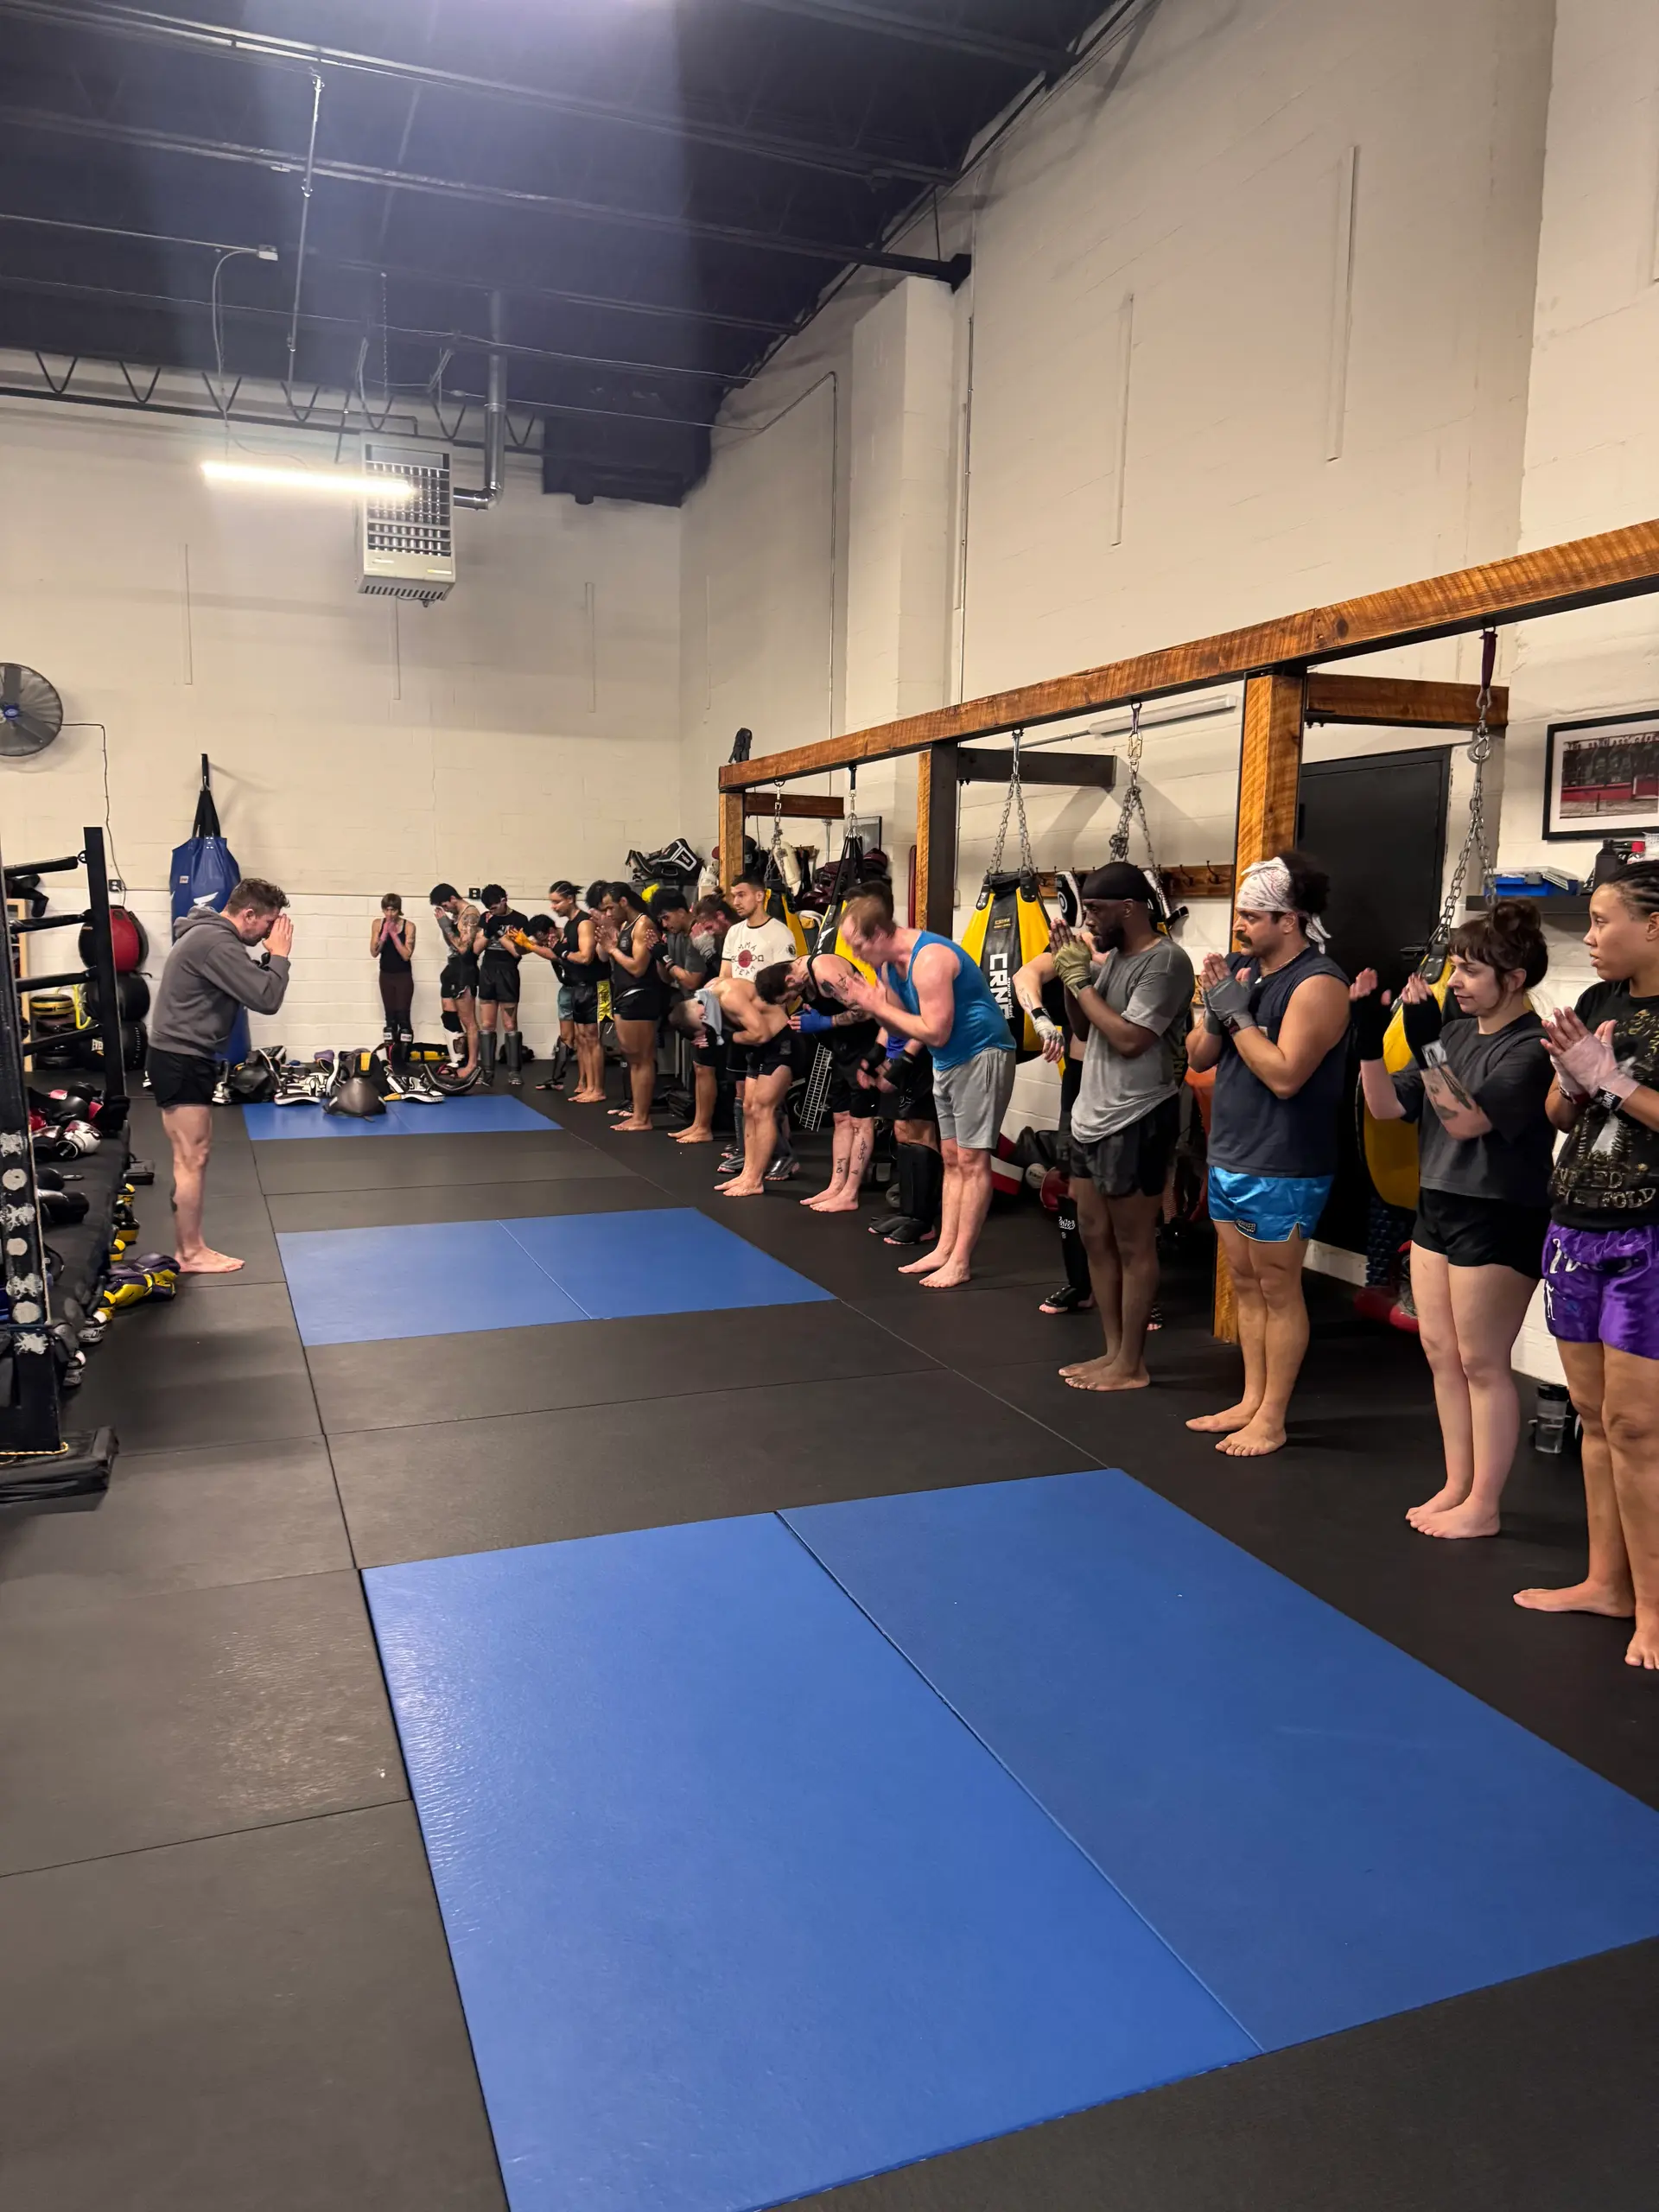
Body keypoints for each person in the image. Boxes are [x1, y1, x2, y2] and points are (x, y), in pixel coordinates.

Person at [1352, 903, 1554, 1538]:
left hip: (1498, 1212)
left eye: (1471, 970)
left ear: (1514, 977)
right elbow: (1387, 1109)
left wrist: (1429, 1045)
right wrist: (1366, 1042)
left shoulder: (1533, 1046)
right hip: (1438, 1202)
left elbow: (1466, 1120)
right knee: (1440, 1353)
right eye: (1456, 968)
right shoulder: (1459, 1034)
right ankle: (1457, 1484)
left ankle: (1485, 1506)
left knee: (1482, 1361)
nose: (1456, 981)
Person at [1517, 861, 1659, 1670]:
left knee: (1641, 1427)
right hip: (1577, 1223)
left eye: (1606, 921)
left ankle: (1653, 1604)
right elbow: (1558, 1115)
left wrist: (1611, 1082)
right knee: (1596, 1417)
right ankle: (1607, 1582)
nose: (1593, 936)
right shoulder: (1602, 1005)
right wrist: (1575, 1083)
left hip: (1650, 1233)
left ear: (1655, 926)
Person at [1184, 852, 1351, 1456]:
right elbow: (1198, 1058)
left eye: (1253, 917)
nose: (1240, 927)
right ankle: (1250, 1400)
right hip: (1230, 1148)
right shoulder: (1241, 971)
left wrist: (1235, 1014)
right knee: (1246, 1284)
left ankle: (1273, 1416)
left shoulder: (1318, 984)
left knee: (1279, 1287)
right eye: (1240, 916)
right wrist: (1215, 1004)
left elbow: (1285, 1075)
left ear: (1291, 919)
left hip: (1285, 1160)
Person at [1044, 864, 1195, 1392]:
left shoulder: (1166, 962)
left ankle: (1133, 1363)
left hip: (1138, 1115)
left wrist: (1082, 980)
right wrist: (1071, 980)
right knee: (1094, 1236)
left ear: (1128, 908)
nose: (1089, 919)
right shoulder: (1116, 960)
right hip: (1091, 1114)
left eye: (1097, 910)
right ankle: (1111, 1353)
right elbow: (1085, 1028)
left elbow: (1131, 1039)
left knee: (1133, 1243)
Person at [838, 890, 1018, 1289]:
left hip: (981, 1054)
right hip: (947, 1059)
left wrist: (876, 1007)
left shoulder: (931, 959)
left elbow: (935, 1029)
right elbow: (901, 1023)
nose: (857, 954)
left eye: (859, 945)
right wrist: (876, 1055)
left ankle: (962, 1260)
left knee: (971, 1160)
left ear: (882, 932)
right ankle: (944, 1248)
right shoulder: (888, 969)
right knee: (952, 1157)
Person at [147, 878, 292, 1274]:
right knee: (191, 1158)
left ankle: (190, 1247)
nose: (269, 932)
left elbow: (251, 986)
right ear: (248, 914)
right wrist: (280, 956)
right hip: (181, 1058)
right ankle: (190, 1253)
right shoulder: (216, 943)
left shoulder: (211, 936)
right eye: (269, 923)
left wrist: (267, 962)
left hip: (181, 1056)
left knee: (190, 1157)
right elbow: (267, 998)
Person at [775, 950, 884, 1212]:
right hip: (842, 1050)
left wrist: (826, 1021)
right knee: (841, 1118)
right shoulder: (804, 982)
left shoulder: (824, 970)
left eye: (788, 998)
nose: (792, 1001)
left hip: (865, 1049)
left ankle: (851, 1193)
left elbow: (868, 1010)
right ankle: (837, 1185)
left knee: (861, 1122)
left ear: (790, 980)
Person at [718, 875, 800, 1184]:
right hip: (740, 1022)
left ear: (760, 896)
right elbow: (725, 976)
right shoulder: (734, 932)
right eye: (733, 896)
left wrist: (754, 1004)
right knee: (745, 1096)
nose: (736, 901)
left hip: (769, 1024)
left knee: (768, 1099)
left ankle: (782, 1155)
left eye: (741, 895)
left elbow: (786, 985)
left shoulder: (779, 934)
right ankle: (749, 1154)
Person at [606, 885, 668, 1131]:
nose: (609, 913)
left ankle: (643, 1118)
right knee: (632, 1058)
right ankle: (637, 1113)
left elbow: (638, 968)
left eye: (611, 907)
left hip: (640, 996)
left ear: (623, 902)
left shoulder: (643, 924)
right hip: (624, 996)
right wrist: (608, 944)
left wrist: (612, 949)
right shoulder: (625, 927)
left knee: (642, 1059)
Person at [473, 883, 528, 1084]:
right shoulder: (486, 918)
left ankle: (514, 1072)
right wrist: (488, 930)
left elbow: (517, 951)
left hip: (508, 972)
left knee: (509, 1023)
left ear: (504, 900)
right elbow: (476, 949)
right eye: (489, 908)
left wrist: (496, 930)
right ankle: (487, 1072)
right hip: (488, 970)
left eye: (494, 907)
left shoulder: (520, 920)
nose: (492, 911)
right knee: (487, 1024)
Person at [429, 882, 481, 1082]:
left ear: (453, 898)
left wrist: (445, 925)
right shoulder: (455, 916)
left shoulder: (470, 914)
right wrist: (445, 925)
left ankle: (472, 1065)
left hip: (464, 968)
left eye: (446, 905)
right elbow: (451, 943)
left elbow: (462, 948)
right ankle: (458, 1060)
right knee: (450, 1015)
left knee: (469, 1021)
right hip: (452, 967)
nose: (447, 910)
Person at [370, 894, 416, 1052]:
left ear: (399, 910)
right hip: (386, 974)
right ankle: (391, 1057)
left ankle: (404, 1057)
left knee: (403, 1017)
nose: (390, 914)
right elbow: (374, 953)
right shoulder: (377, 924)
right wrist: (383, 934)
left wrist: (394, 935)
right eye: (386, 910)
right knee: (390, 1018)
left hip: (403, 975)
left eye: (394, 910)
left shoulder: (409, 926)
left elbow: (406, 955)